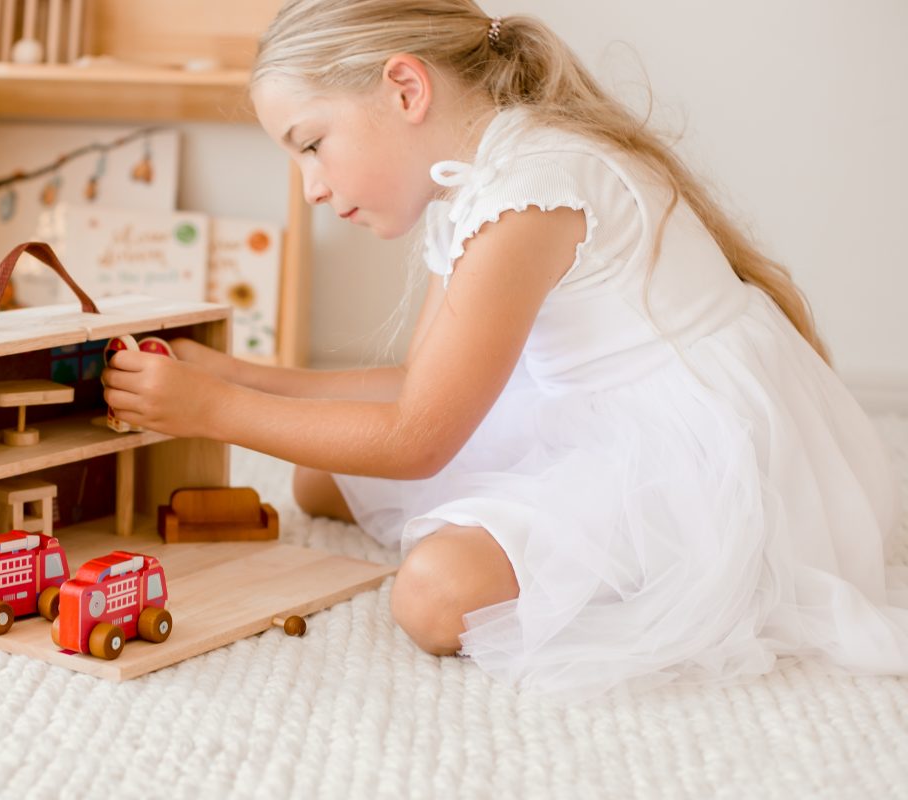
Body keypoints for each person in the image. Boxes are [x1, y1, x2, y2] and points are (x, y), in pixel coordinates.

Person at [101, 0, 907, 698]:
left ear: (406, 88)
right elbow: (424, 384)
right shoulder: (471, 186)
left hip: (694, 448)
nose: (310, 186)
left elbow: (418, 439)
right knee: (322, 480)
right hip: (583, 405)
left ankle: (645, 568)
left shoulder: (533, 188)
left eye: (311, 144)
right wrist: (242, 376)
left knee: (434, 595)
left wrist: (214, 411)